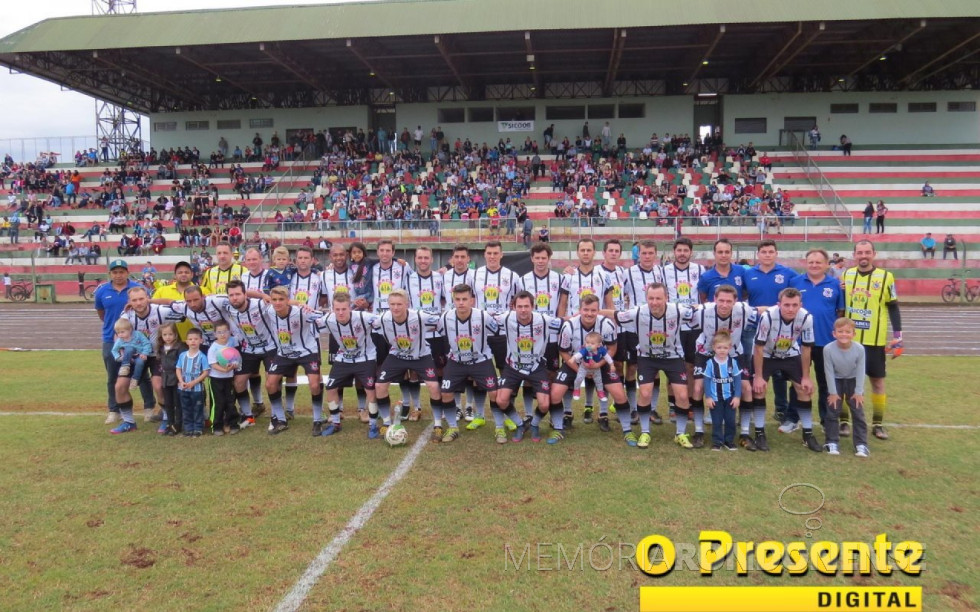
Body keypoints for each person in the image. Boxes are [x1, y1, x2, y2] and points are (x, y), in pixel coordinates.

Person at [605, 284, 692, 449]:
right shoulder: (638, 311)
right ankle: (645, 431)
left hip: (673, 357)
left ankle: (680, 433)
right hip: (647, 357)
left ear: (666, 298)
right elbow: (615, 314)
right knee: (645, 392)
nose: (654, 302)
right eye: (651, 298)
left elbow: (699, 311)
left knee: (681, 396)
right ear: (646, 299)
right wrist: (591, 311)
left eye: (658, 298)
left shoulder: (678, 310)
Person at [841, 240, 903, 440]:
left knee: (877, 381)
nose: (863, 256)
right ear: (854, 255)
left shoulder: (886, 277)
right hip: (848, 340)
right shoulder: (846, 275)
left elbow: (893, 306)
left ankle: (878, 423)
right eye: (860, 252)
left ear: (874, 254)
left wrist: (898, 336)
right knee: (844, 380)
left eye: (867, 252)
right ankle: (843, 421)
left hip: (875, 340)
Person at [434, 284, 505, 443]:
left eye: (464, 299)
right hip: (456, 361)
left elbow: (496, 332)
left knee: (494, 393)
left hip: (480, 361)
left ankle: (499, 428)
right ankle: (453, 427)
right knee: (445, 392)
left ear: (472, 300)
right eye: (457, 299)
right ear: (453, 300)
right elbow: (441, 333)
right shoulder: (446, 317)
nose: (461, 303)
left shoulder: (483, 316)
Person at [752, 288, 818, 453]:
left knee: (804, 389)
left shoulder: (806, 318)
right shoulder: (767, 316)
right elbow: (758, 347)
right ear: (778, 304)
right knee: (759, 389)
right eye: (786, 305)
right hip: (767, 354)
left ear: (800, 305)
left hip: (790, 353)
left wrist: (806, 377)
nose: (790, 309)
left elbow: (806, 348)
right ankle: (759, 433)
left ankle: (808, 433)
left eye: (794, 305)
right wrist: (758, 376)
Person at [318, 292, 380, 437]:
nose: (340, 313)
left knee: (370, 389)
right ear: (332, 308)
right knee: (331, 387)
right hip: (343, 358)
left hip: (366, 358)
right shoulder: (328, 319)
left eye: (344, 309)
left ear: (350, 308)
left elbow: (384, 320)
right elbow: (309, 320)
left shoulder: (364, 317)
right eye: (337, 309)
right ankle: (335, 422)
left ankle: (373, 425)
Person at [94, 259, 143, 426]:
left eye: (121, 272)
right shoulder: (102, 291)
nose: (118, 275)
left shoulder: (137, 289)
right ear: (110, 274)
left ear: (127, 273)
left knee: (142, 375)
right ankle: (114, 410)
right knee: (113, 376)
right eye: (115, 272)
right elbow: (101, 313)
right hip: (110, 339)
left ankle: (149, 407)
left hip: (136, 340)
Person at [823, 318, 869, 458]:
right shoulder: (828, 349)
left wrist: (858, 392)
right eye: (840, 331)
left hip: (853, 381)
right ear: (834, 333)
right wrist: (833, 392)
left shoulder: (859, 349)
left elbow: (861, 370)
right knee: (832, 412)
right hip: (836, 380)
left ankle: (861, 444)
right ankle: (832, 442)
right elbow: (829, 371)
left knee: (858, 413)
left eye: (848, 332)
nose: (844, 334)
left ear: (853, 334)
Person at [702, 331, 742, 451]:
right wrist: (708, 397)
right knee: (717, 421)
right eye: (719, 347)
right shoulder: (710, 363)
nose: (722, 350)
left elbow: (738, 380)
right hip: (715, 398)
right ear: (714, 347)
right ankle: (717, 441)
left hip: (730, 397)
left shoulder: (733, 362)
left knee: (730, 420)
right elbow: (707, 381)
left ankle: (729, 441)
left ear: (730, 348)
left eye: (725, 347)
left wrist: (737, 396)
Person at [207, 321, 241, 436]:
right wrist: (224, 370)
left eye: (225, 332)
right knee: (218, 403)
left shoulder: (232, 342)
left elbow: (236, 358)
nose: (223, 335)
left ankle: (233, 424)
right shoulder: (213, 348)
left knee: (230, 402)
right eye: (219, 332)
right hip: (216, 379)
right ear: (215, 334)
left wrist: (235, 365)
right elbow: (213, 364)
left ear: (229, 332)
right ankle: (216, 426)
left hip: (229, 379)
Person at [176, 329, 209, 437]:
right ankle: (188, 428)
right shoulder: (182, 356)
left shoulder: (202, 357)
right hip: (183, 388)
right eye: (190, 339)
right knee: (186, 408)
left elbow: (206, 372)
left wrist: (194, 382)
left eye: (196, 339)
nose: (193, 341)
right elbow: (178, 369)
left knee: (197, 408)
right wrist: (181, 381)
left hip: (197, 389)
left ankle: (198, 428)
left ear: (201, 340)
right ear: (186, 341)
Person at [156, 323, 185, 436]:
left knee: (177, 402)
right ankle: (170, 423)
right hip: (166, 378)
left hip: (176, 378)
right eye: (165, 334)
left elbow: (182, 362)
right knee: (168, 403)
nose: (168, 337)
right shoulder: (161, 348)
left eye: (170, 334)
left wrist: (180, 377)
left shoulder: (180, 347)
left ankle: (177, 424)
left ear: (175, 334)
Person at [570, 331, 614, 402]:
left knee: (599, 381)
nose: (589, 345)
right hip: (584, 368)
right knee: (579, 378)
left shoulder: (601, 350)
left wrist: (611, 365)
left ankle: (600, 393)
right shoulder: (585, 350)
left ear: (599, 345)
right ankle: (576, 390)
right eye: (587, 343)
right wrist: (573, 358)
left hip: (596, 368)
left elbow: (607, 357)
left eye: (592, 343)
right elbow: (579, 354)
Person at [112, 318, 152, 391]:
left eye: (122, 332)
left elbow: (147, 344)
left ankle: (135, 379)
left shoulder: (138, 334)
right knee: (129, 348)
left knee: (140, 362)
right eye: (118, 333)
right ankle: (125, 366)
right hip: (128, 357)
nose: (120, 335)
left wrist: (145, 353)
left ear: (130, 330)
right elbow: (114, 350)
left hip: (139, 355)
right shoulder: (119, 340)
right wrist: (118, 357)